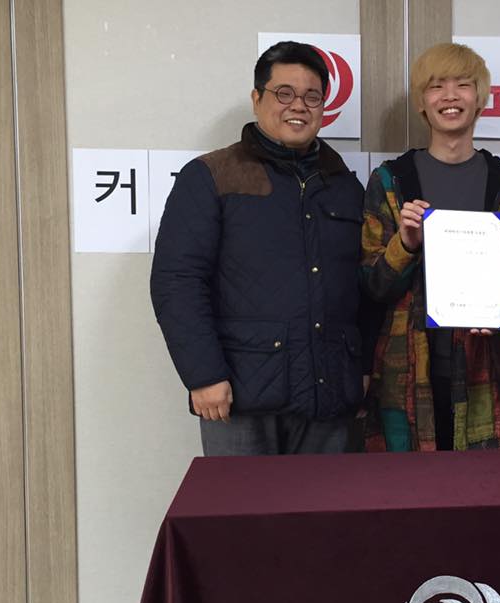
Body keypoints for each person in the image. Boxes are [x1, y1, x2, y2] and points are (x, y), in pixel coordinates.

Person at [150, 41, 368, 456]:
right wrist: (203, 374)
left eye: (311, 96)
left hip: (329, 394)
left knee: (326, 501)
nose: (298, 106)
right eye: (284, 93)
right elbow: (176, 281)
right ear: (256, 98)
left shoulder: (344, 185)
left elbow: (363, 287)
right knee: (239, 501)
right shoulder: (212, 175)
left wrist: (363, 367)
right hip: (239, 396)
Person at [360, 43, 500, 452]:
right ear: (422, 102)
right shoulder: (390, 180)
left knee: (486, 487)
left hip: (485, 374)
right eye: (436, 86)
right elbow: (372, 285)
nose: (449, 96)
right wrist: (406, 244)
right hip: (405, 374)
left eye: (463, 85)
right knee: (403, 488)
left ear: (480, 98)